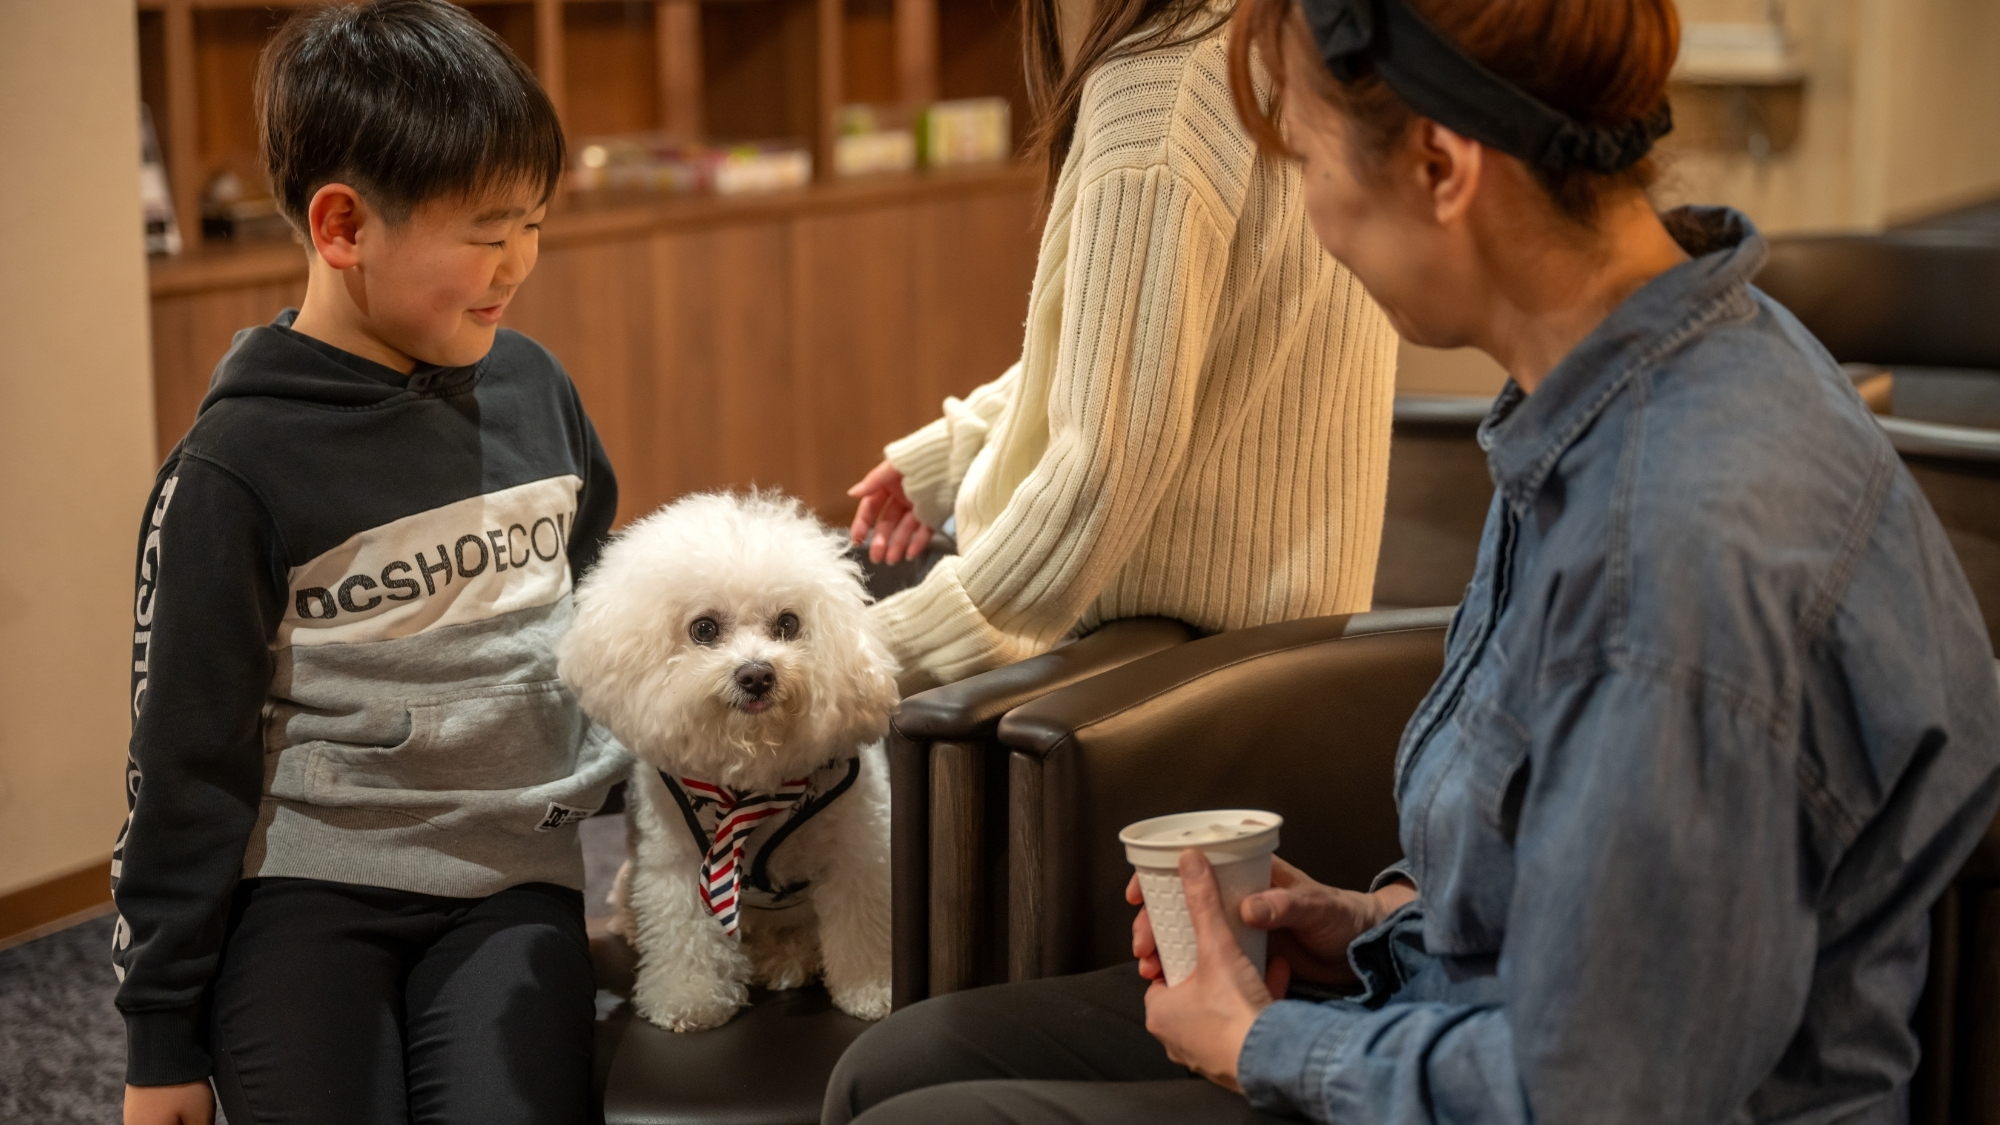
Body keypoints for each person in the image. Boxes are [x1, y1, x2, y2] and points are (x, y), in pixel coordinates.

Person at [823, 0, 2000, 1121]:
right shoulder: (1636, 375)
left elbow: (1602, 1089)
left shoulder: (1672, 557)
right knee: (900, 1069)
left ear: (1440, 167)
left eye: (1306, 157)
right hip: (1483, 1015)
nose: (1316, 219)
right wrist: (1365, 924)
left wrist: (1262, 1043)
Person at [115, 4, 624, 1122]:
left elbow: (607, 624)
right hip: (302, 891)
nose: (519, 264)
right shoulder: (232, 466)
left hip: (508, 885)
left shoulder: (537, 391)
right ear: (341, 223)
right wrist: (160, 1041)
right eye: (489, 232)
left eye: (534, 224)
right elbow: (183, 762)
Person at [847, 0, 1400, 691]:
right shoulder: (1278, 35)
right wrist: (961, 445)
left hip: (1147, 672)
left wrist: (865, 662)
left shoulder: (1161, 83)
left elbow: (1103, 468)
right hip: (1281, 662)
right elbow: (1164, 345)